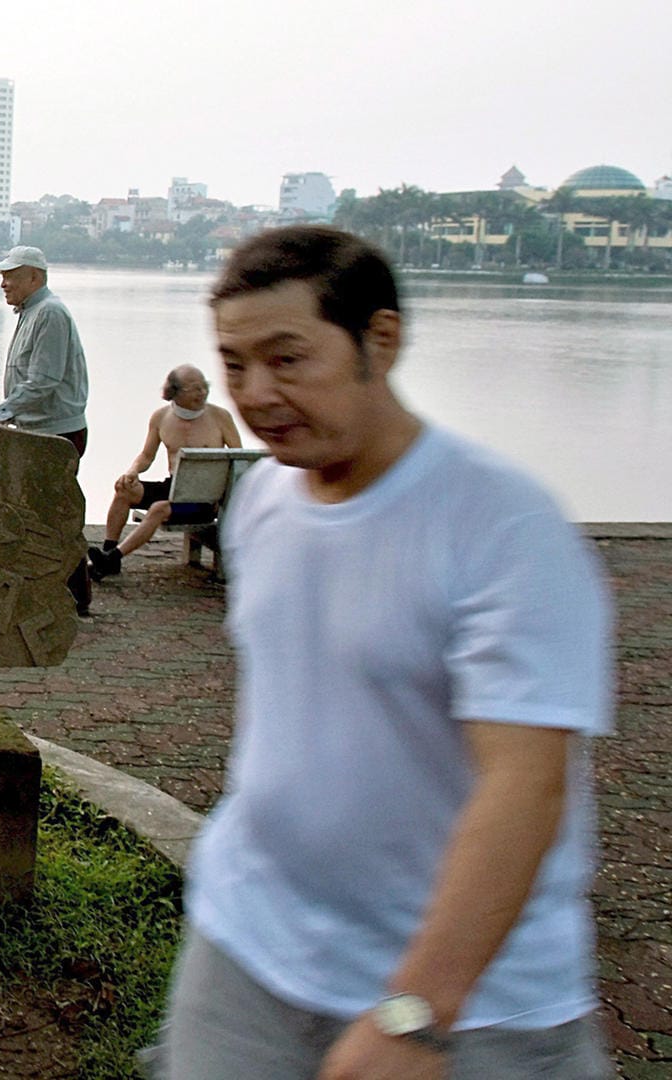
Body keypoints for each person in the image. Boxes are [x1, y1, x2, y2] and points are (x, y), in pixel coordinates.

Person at [159, 226, 612, 1079]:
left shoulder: (500, 525)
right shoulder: (263, 506)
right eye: (234, 363)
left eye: (288, 359)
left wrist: (417, 1014)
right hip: (249, 951)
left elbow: (526, 782)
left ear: (381, 340)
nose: (257, 393)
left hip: (474, 1007)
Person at [0, 245, 93, 614]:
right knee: (40, 515)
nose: (4, 283)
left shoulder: (50, 314)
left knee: (54, 516)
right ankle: (53, 592)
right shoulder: (32, 312)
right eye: (3, 276)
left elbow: (43, 380)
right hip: (38, 430)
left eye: (11, 276)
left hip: (56, 433)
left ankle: (75, 597)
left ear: (35, 278)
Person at [85, 364, 241, 579]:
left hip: (205, 497)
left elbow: (238, 459)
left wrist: (224, 496)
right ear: (174, 392)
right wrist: (132, 472)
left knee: (159, 509)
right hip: (175, 486)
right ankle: (108, 550)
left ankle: (113, 557)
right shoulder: (161, 417)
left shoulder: (220, 417)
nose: (202, 393)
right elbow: (147, 456)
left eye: (204, 387)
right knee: (123, 490)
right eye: (194, 388)